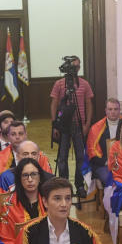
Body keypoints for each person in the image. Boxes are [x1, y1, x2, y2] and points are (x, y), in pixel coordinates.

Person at [49, 55, 94, 197]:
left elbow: (88, 104)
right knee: (62, 157)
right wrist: (54, 124)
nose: (75, 69)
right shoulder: (59, 84)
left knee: (81, 156)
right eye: (73, 66)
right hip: (63, 125)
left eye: (78, 66)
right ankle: (64, 184)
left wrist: (87, 123)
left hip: (79, 125)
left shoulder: (84, 84)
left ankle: (79, 185)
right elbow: (54, 104)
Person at [0, 158, 49, 244]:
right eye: (25, 175)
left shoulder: (49, 202)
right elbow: (4, 239)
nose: (30, 179)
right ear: (19, 179)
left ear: (40, 177)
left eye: (34, 174)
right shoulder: (8, 205)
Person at [0, 122, 53, 199]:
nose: (17, 137)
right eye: (13, 134)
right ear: (8, 136)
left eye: (21, 134)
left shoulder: (41, 157)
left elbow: (49, 183)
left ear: (26, 134)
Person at [84, 98, 122, 185]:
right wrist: (108, 162)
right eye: (110, 109)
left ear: (120, 110)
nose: (113, 112)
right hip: (103, 164)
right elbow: (92, 153)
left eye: (116, 109)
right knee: (111, 181)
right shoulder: (96, 128)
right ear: (106, 110)